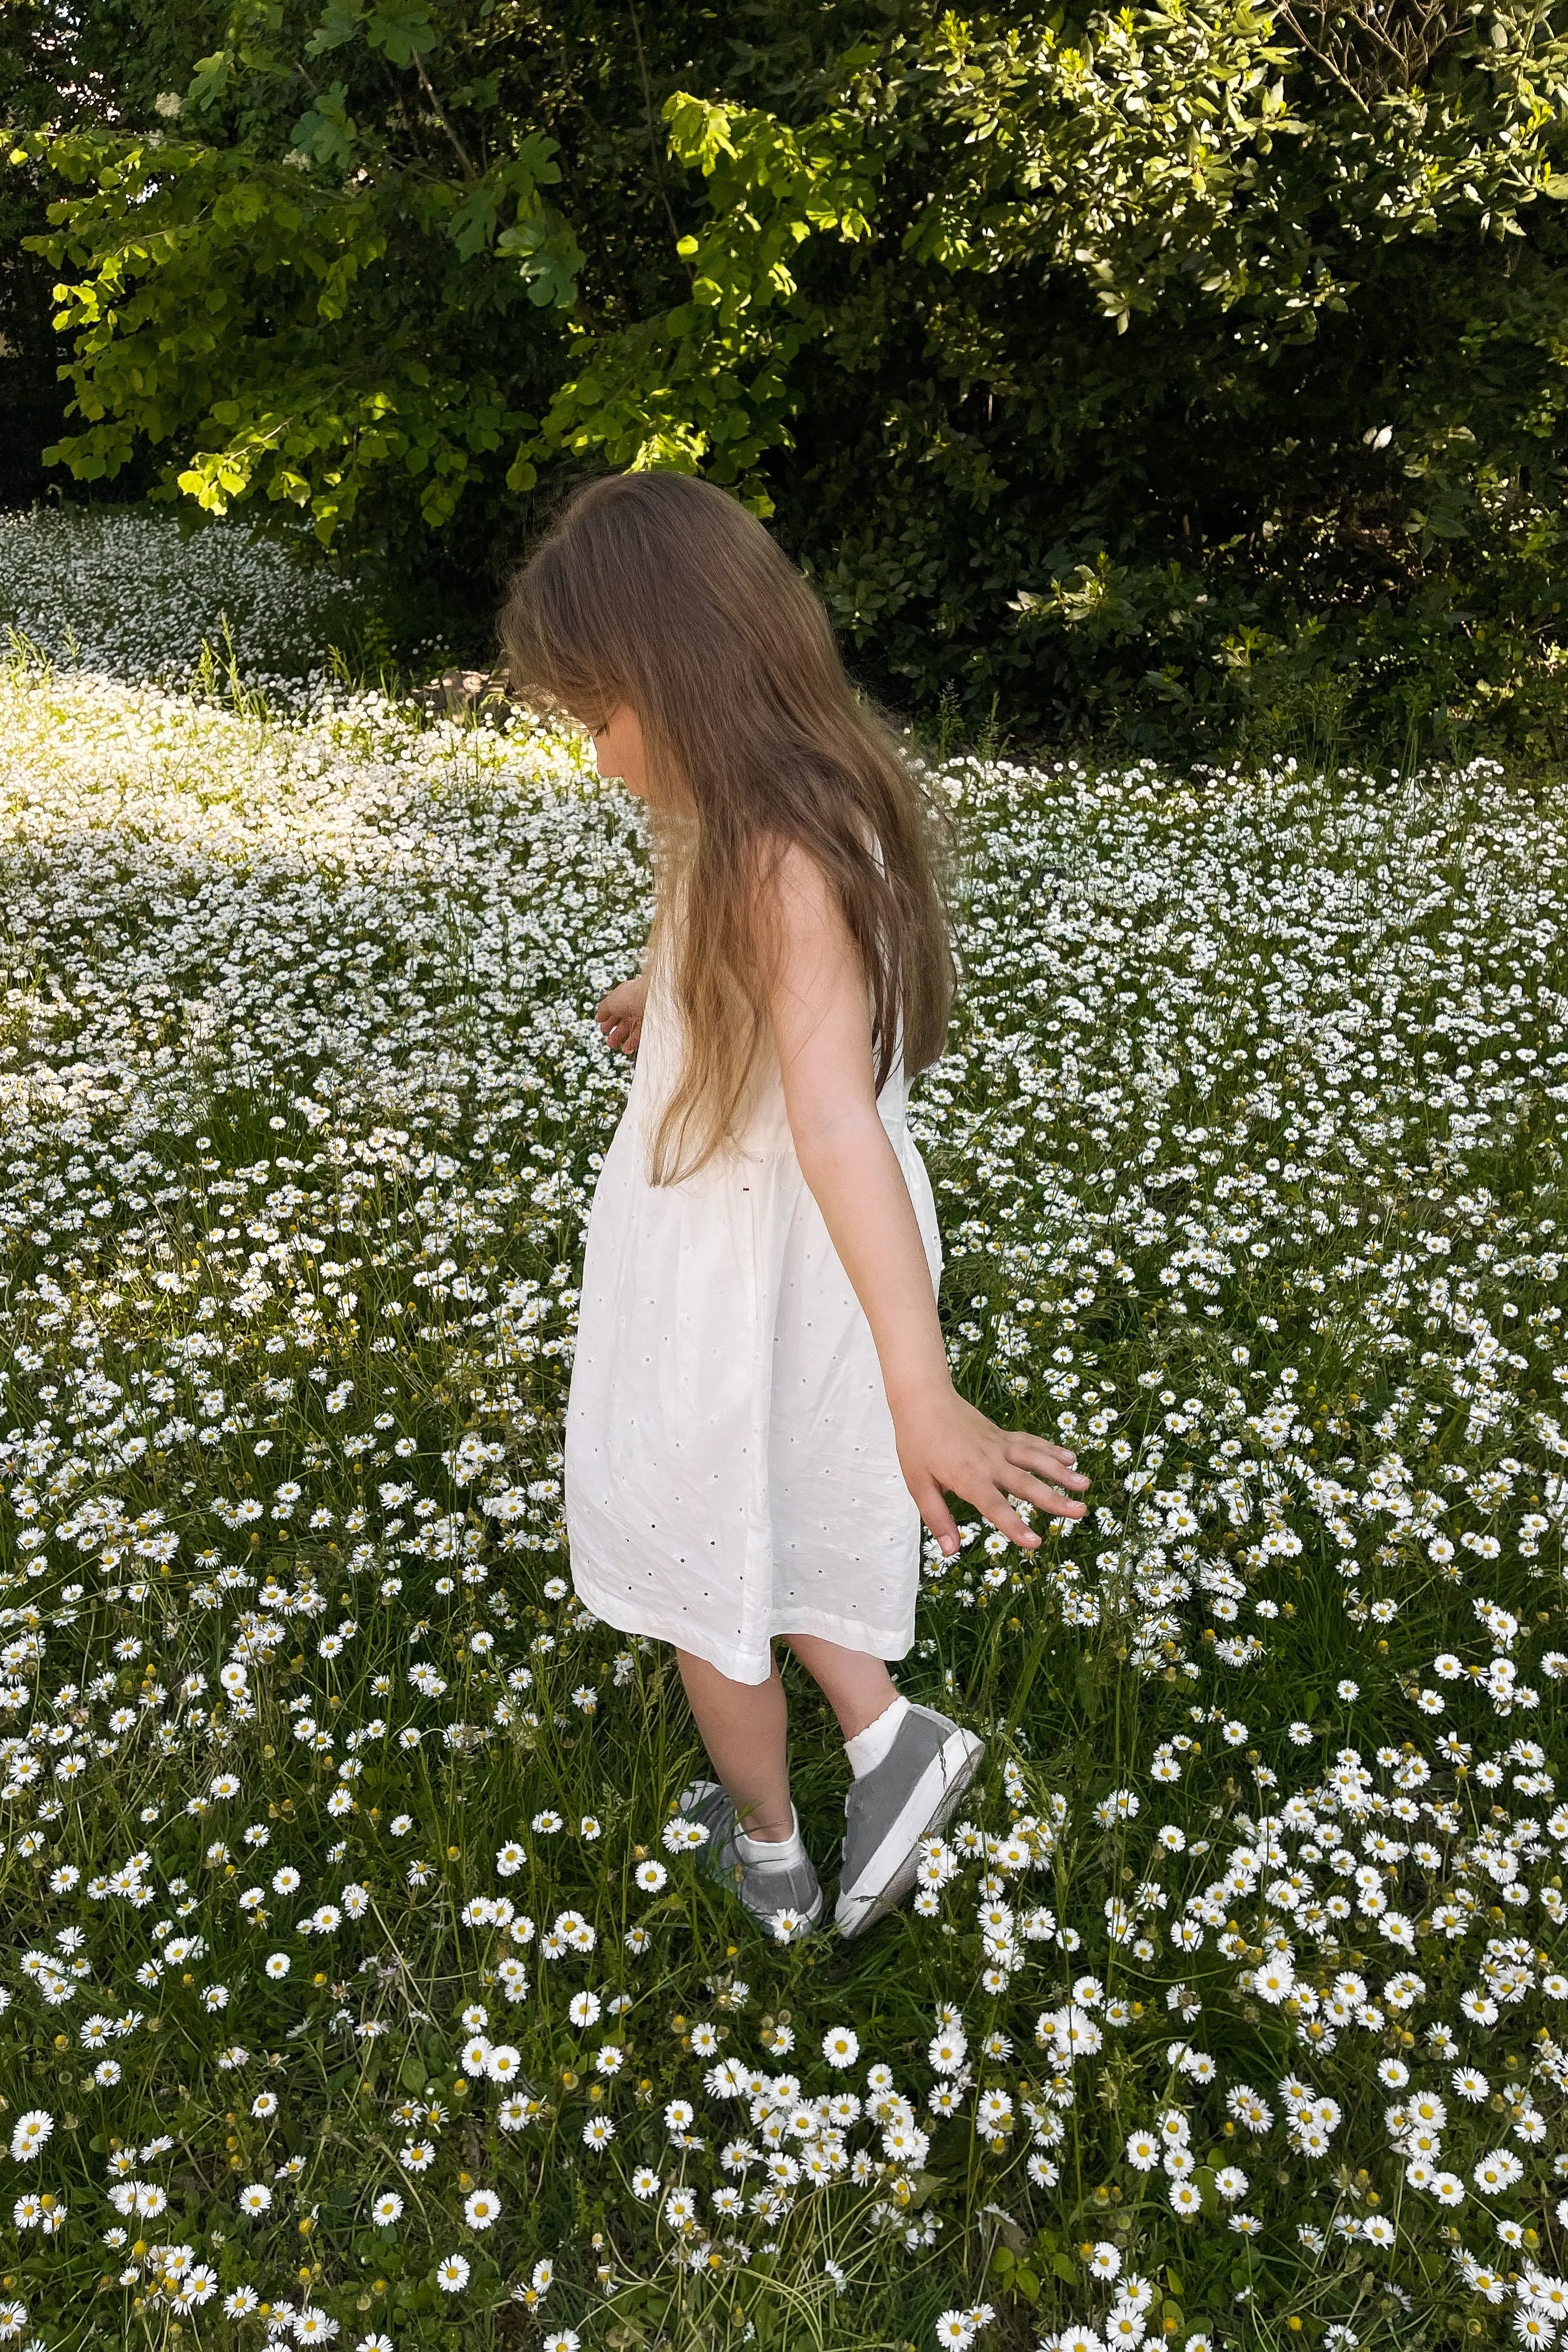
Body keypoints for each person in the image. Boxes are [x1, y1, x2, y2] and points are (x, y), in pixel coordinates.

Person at [498, 474, 1088, 1941]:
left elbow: (830, 1121)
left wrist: (920, 1382)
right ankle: (888, 1743)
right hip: (784, 1255)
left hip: (744, 1267)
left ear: (677, 684)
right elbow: (770, 987)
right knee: (783, 1508)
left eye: (597, 719)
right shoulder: (790, 808)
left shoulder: (770, 862)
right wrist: (668, 991)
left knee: (708, 1555)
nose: (595, 760)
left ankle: (768, 1852)